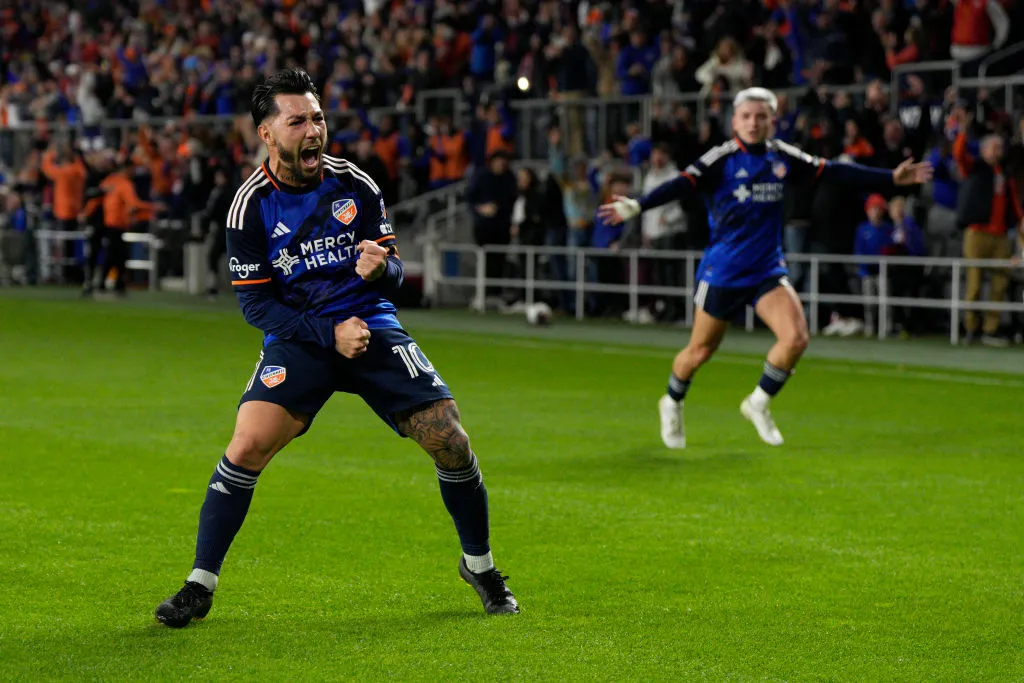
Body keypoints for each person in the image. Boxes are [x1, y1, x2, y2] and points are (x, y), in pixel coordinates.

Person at [154, 69, 518, 628]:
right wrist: (328, 334)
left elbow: (393, 273)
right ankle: (199, 585)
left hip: (371, 325)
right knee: (247, 444)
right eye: (297, 120)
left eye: (318, 117)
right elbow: (256, 307)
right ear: (267, 134)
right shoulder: (249, 207)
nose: (314, 130)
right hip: (301, 335)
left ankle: (481, 567)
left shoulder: (357, 185)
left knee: (450, 436)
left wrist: (385, 269)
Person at [598, 87, 932, 448]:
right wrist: (638, 205)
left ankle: (758, 403)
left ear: (773, 120)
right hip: (723, 271)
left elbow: (833, 171)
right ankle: (672, 400)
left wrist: (889, 179)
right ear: (734, 121)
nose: (753, 123)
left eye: (761, 116)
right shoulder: (721, 158)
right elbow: (681, 184)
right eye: (746, 116)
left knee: (796, 338)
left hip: (766, 269)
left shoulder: (782, 156)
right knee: (700, 352)